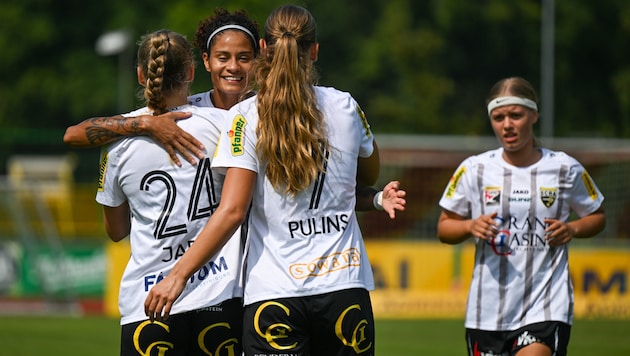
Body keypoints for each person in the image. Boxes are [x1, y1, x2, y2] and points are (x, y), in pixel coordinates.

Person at [144, 5, 405, 355]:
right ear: (314, 50)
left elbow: (233, 210)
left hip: (275, 295)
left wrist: (178, 274)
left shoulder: (244, 117)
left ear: (264, 49)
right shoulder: (345, 106)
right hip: (344, 290)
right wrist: (372, 197)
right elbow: (366, 177)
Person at [96, 29, 244, 355]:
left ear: (140, 75)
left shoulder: (116, 144)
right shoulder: (225, 124)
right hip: (219, 294)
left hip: (148, 304)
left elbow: (116, 231)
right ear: (191, 72)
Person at [436, 77, 606, 356]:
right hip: (486, 311)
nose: (507, 124)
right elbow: (444, 228)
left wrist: (572, 229)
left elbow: (597, 216)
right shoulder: (474, 169)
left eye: (516, 115)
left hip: (546, 305)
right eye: (498, 117)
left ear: (534, 115)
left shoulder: (564, 168)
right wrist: (469, 225)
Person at [63, 8, 261, 167]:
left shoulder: (266, 109)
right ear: (206, 61)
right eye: (223, 57)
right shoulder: (188, 110)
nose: (233, 67)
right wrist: (147, 124)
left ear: (256, 60)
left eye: (244, 58)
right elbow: (74, 135)